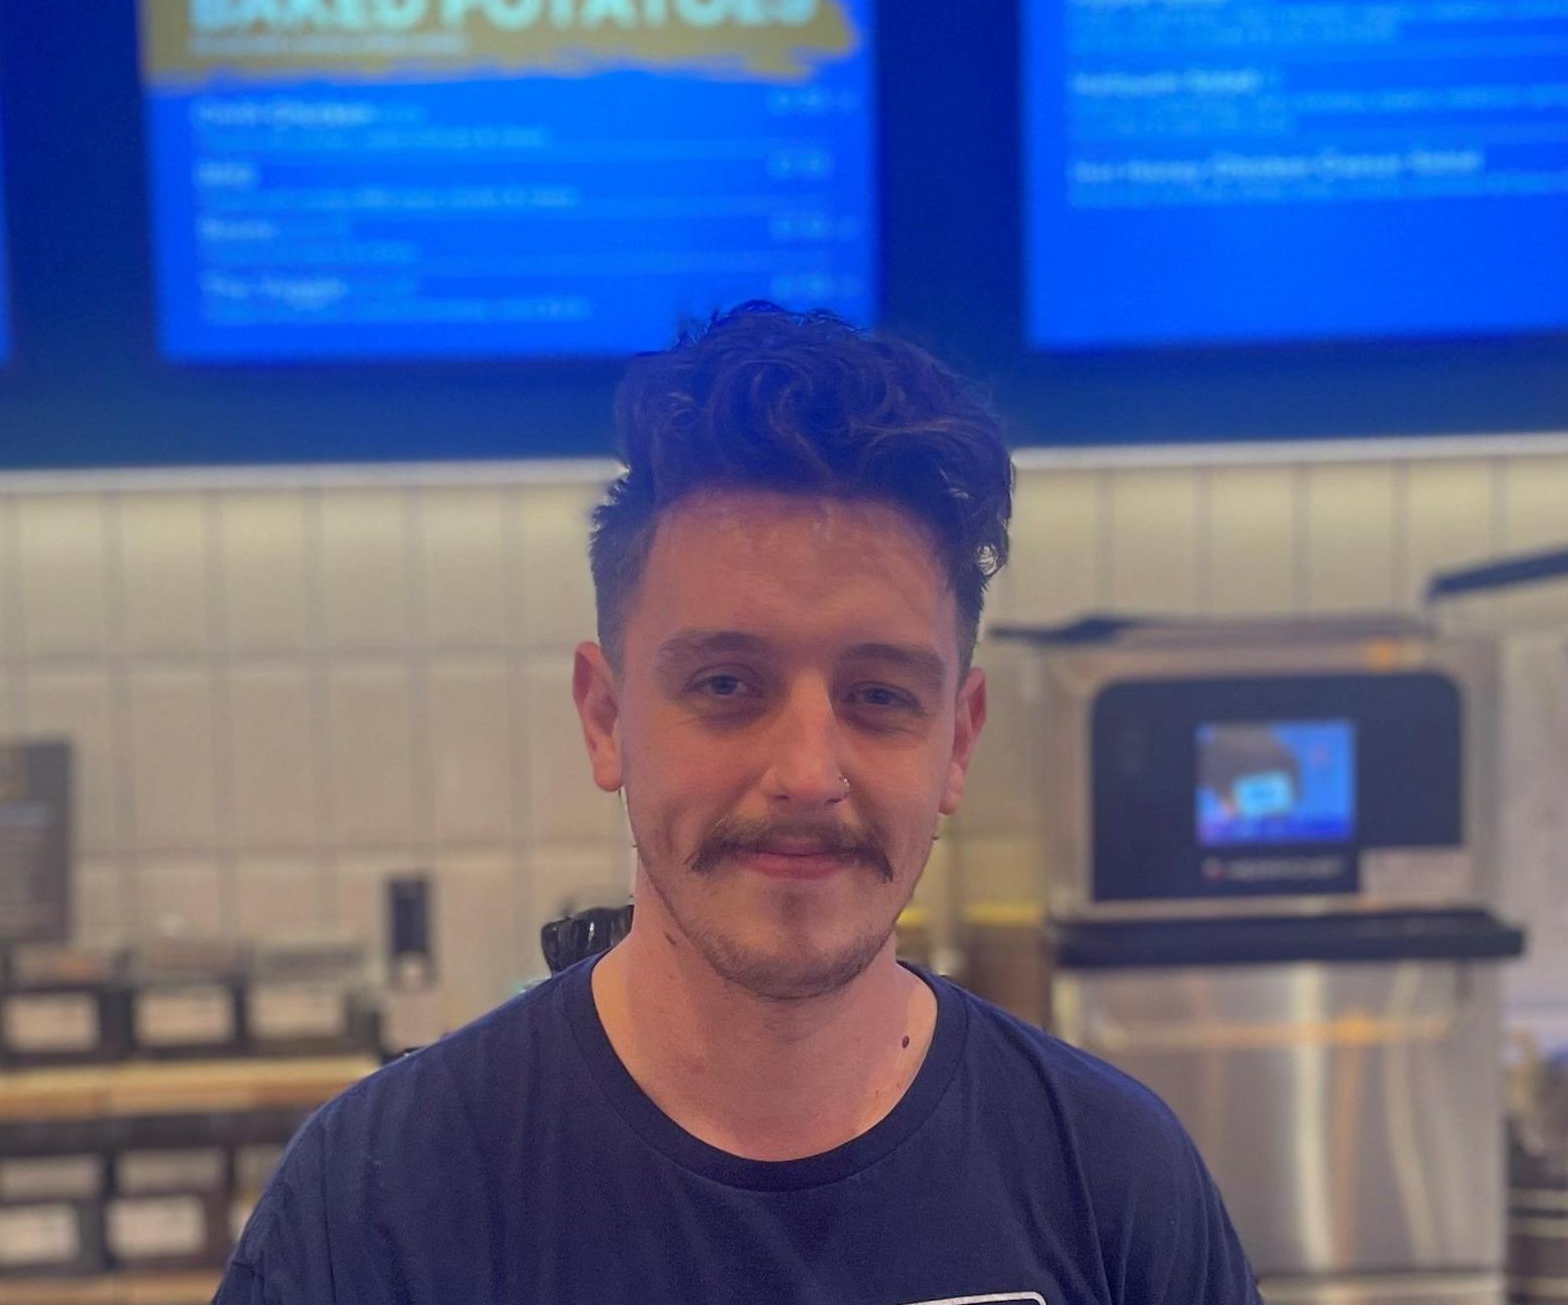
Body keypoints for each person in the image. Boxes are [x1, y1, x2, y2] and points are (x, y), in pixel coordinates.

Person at [217, 303, 1261, 1304]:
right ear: (604, 715)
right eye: (726, 683)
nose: (808, 771)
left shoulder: (1116, 1183)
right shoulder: (377, 1201)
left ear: (959, 739)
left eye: (879, 695)